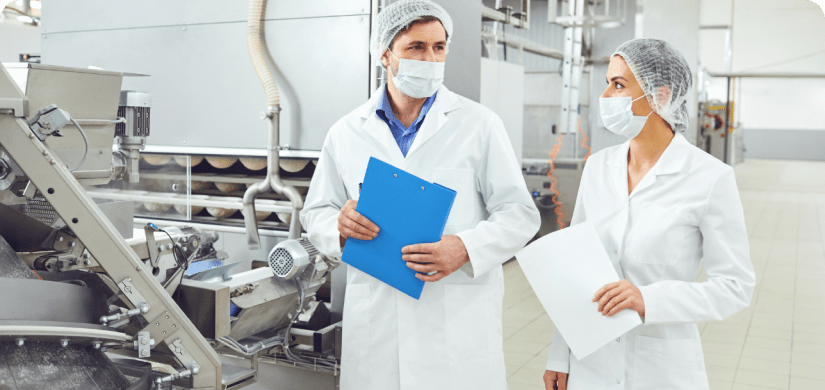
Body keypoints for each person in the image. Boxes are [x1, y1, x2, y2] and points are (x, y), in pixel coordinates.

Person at [300, 1, 541, 389]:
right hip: (377, 326)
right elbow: (317, 213)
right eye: (416, 47)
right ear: (385, 54)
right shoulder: (345, 133)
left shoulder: (480, 126)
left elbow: (519, 213)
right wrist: (337, 227)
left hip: (455, 327)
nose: (430, 58)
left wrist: (464, 247)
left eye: (438, 47)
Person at [542, 38, 755, 390]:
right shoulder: (598, 167)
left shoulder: (710, 177)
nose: (606, 95)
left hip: (662, 370)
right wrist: (559, 356)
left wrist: (649, 299)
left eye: (619, 85)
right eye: (608, 83)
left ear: (662, 96)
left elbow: (735, 287)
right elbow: (574, 269)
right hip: (589, 362)